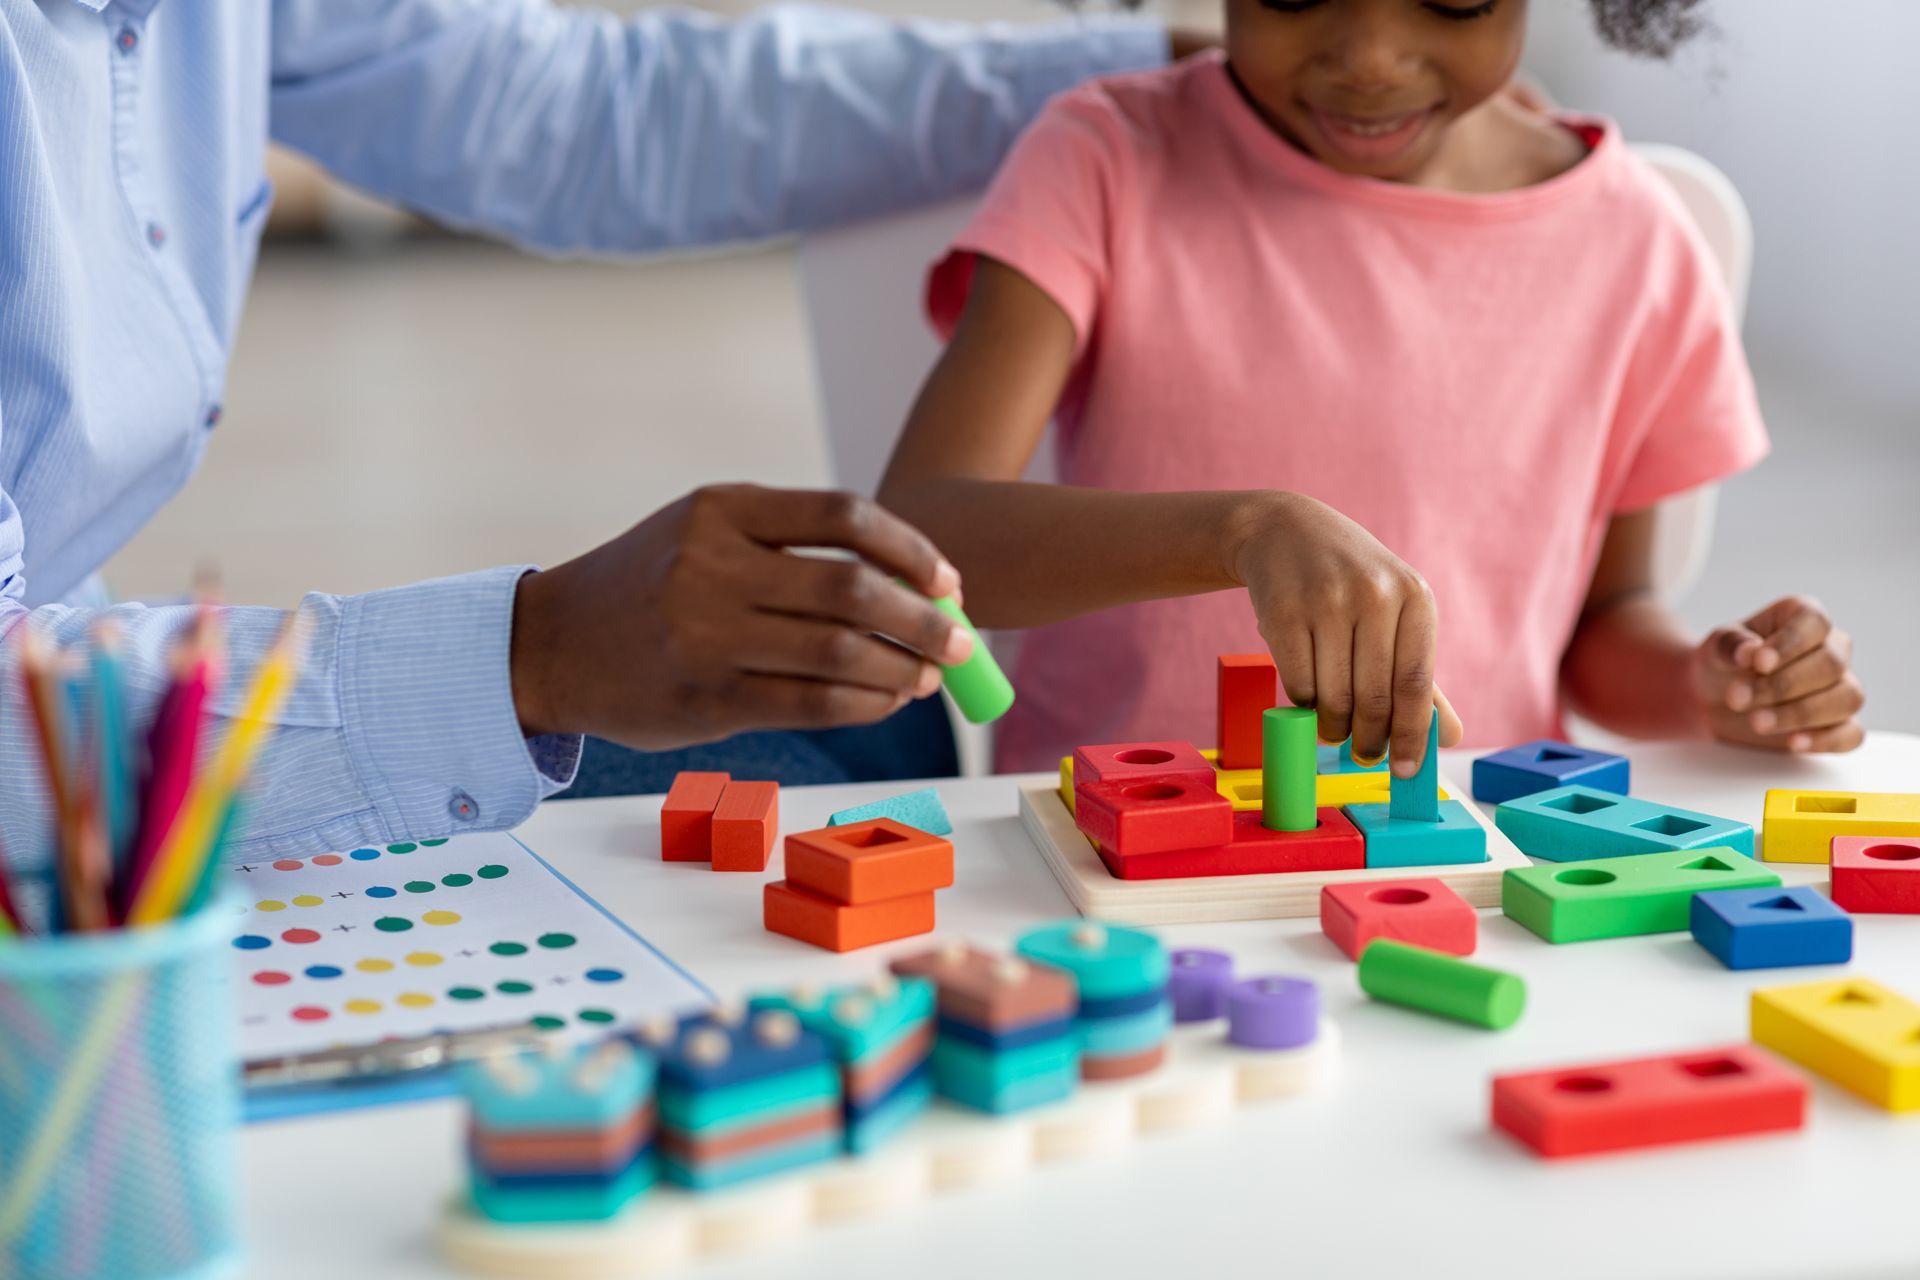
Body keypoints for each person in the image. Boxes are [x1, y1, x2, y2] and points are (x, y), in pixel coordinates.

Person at [0, 1, 1207, 868]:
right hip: (49, 771)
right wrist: (536, 652)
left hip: (85, 695)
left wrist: (1146, 68)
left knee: (865, 736)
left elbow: (573, 108)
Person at [878, 0, 1867, 778]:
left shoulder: (1638, 245)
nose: (1370, 58)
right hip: (1107, 850)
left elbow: (1606, 625)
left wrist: (1714, 685)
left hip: (1470, 852)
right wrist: (1244, 530)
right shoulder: (1105, 156)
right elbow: (926, 537)